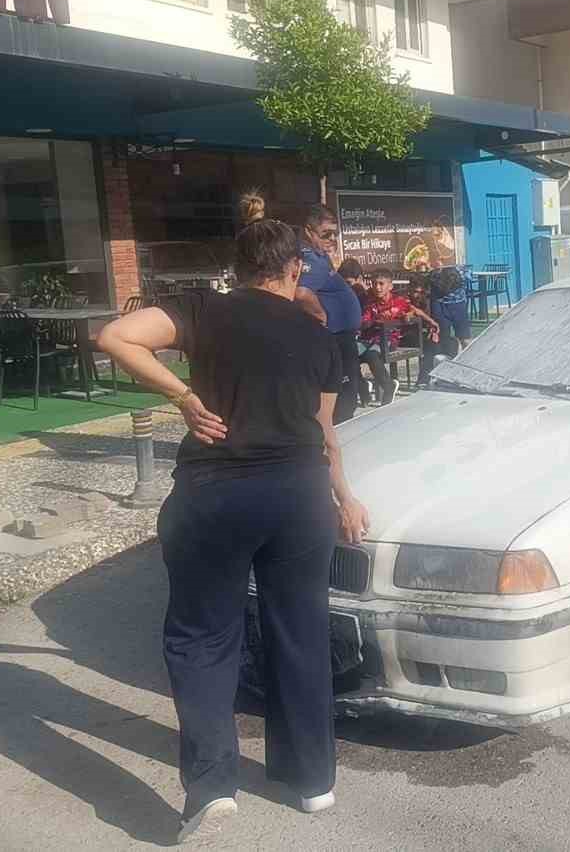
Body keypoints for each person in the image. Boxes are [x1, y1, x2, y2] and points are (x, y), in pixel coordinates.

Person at [97, 217, 370, 843]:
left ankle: (212, 788)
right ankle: (311, 780)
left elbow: (114, 336)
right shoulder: (318, 334)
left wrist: (181, 397)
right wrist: (345, 497)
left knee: (202, 637)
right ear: (294, 268)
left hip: (217, 493)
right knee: (299, 629)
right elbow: (325, 433)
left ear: (239, 266)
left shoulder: (203, 310)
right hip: (299, 496)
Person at [294, 204, 363, 423]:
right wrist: (321, 314)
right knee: (342, 398)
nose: (332, 238)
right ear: (308, 231)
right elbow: (301, 293)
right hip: (334, 338)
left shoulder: (319, 255)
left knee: (347, 394)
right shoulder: (311, 259)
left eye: (335, 233)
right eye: (326, 234)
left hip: (341, 337)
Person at [359, 269, 437, 406]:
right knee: (348, 355)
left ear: (390, 286)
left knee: (371, 355)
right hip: (367, 339)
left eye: (381, 284)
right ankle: (363, 387)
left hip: (387, 339)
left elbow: (413, 309)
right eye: (374, 284)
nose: (377, 287)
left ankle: (388, 386)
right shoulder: (370, 302)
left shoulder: (398, 302)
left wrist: (430, 322)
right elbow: (364, 321)